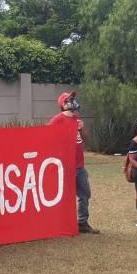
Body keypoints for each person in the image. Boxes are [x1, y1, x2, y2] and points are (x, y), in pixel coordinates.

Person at [48, 91, 99, 234]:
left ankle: (82, 222)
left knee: (84, 193)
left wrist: (82, 128)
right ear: (63, 105)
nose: (73, 101)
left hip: (79, 165)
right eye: (69, 100)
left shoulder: (77, 119)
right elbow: (46, 137)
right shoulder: (57, 120)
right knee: (64, 196)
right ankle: (61, 224)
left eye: (73, 99)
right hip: (65, 165)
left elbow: (86, 139)